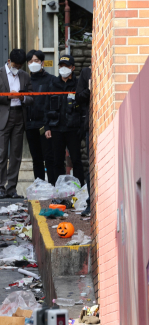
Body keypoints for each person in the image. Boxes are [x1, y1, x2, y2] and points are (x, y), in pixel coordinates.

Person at [0, 49, 34, 199]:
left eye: (20, 66)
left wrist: (22, 97)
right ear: (9, 61)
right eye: (15, 65)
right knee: (1, 154)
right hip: (3, 116)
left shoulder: (25, 76)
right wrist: (7, 96)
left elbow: (31, 97)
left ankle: (11, 188)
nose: (17, 68)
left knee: (16, 154)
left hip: (19, 115)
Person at [42, 55, 85, 187]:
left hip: (73, 128)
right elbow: (46, 107)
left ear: (73, 68)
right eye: (61, 66)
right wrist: (47, 127)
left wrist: (82, 127)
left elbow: (83, 107)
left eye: (67, 66)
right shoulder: (53, 84)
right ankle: (58, 190)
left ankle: (80, 189)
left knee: (76, 160)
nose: (63, 68)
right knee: (57, 161)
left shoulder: (78, 85)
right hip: (56, 128)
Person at [24, 50, 55, 183]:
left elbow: (52, 103)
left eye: (36, 61)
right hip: (30, 125)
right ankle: (39, 185)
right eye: (30, 61)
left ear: (42, 63)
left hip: (44, 125)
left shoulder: (51, 80)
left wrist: (48, 123)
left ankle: (53, 185)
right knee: (36, 158)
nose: (33, 64)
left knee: (48, 157)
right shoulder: (25, 81)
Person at [75, 66, 92, 216]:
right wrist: (90, 88)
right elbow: (79, 97)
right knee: (91, 165)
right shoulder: (86, 73)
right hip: (89, 125)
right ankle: (90, 203)